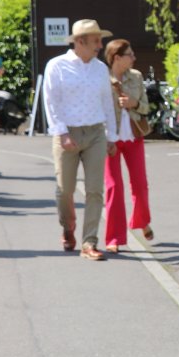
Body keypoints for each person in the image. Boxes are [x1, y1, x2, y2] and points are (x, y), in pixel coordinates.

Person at [42, 19, 119, 261]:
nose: (100, 45)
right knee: (65, 190)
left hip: (95, 133)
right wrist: (62, 133)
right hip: (67, 133)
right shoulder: (57, 66)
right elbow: (51, 102)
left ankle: (89, 242)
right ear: (80, 42)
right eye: (96, 41)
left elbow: (107, 102)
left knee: (95, 190)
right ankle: (68, 226)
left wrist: (112, 135)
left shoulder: (100, 68)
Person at [102, 39, 155, 253]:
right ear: (117, 58)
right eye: (130, 54)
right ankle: (114, 237)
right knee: (114, 187)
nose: (134, 58)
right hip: (110, 139)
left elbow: (146, 107)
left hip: (134, 136)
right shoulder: (102, 78)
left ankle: (142, 221)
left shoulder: (136, 77)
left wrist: (135, 103)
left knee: (140, 184)